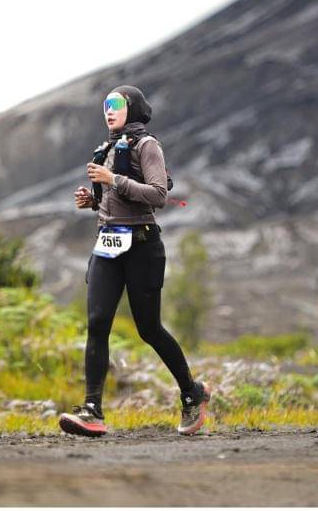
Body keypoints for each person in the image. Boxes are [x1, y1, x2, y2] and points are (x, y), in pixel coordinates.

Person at [58, 85, 210, 437]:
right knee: (97, 323)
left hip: (142, 245)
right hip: (108, 246)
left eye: (116, 104)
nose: (109, 111)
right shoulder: (107, 149)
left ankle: (192, 392)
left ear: (134, 109)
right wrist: (92, 201)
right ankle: (92, 410)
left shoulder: (147, 145)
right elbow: (115, 200)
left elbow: (158, 194)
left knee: (149, 329)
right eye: (105, 105)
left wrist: (114, 179)